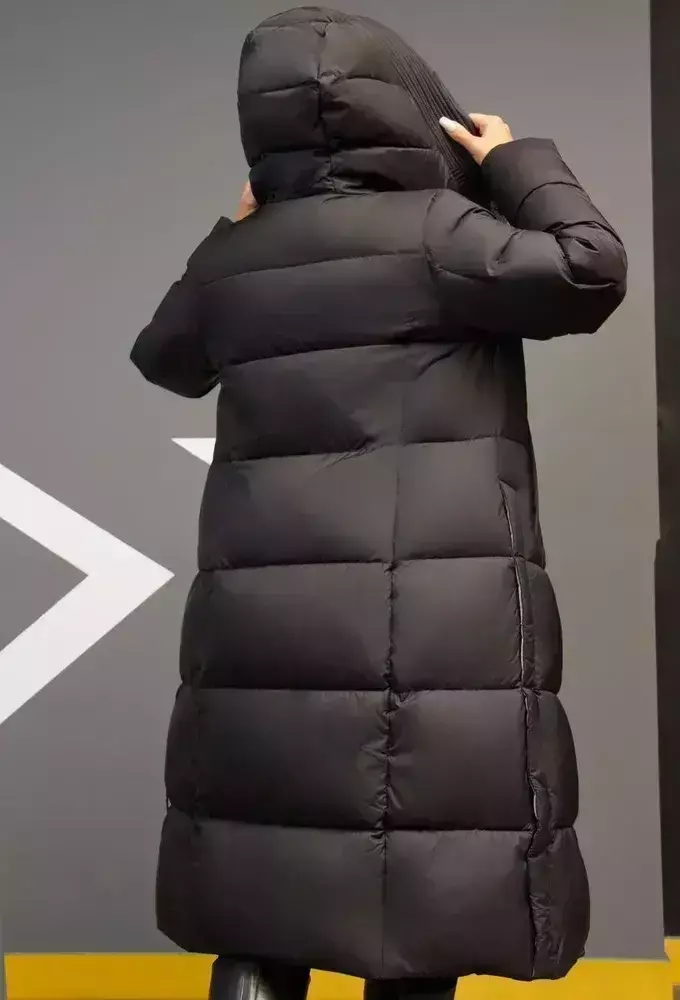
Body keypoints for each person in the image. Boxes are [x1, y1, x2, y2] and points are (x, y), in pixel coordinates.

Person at [131, 7, 627, 1000]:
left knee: (261, 886)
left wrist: (232, 227)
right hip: (432, 631)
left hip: (264, 633)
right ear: (404, 103)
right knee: (419, 896)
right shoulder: (441, 232)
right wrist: (516, 159)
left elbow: (165, 357)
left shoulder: (239, 259)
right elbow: (589, 267)